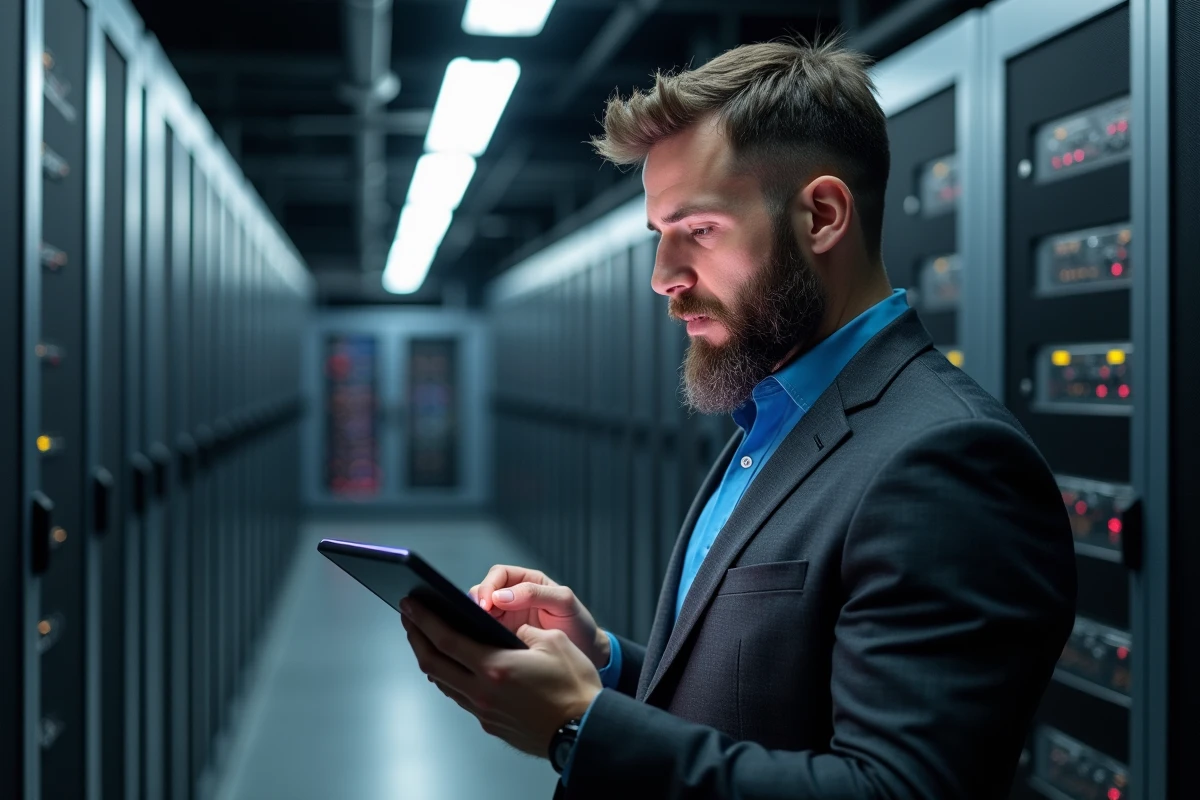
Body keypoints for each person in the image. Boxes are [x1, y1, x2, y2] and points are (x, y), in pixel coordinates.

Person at [398, 34, 1076, 799]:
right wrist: (608, 665)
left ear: (821, 215)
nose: (662, 278)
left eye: (700, 231)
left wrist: (577, 728)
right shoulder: (778, 413)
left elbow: (896, 790)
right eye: (659, 236)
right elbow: (767, 704)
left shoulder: (947, 461)